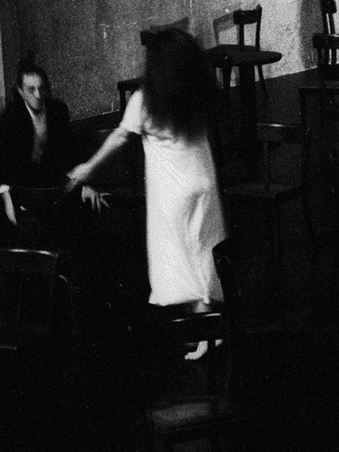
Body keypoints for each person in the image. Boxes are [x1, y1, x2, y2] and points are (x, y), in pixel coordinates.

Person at [67, 29, 226, 357]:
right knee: (205, 255)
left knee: (183, 262)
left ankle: (204, 333)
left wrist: (89, 166)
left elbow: (121, 137)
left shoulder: (146, 100)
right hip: (204, 183)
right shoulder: (197, 92)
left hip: (174, 193)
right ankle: (212, 329)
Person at [0, 55, 104, 241]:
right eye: (31, 89)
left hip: (51, 184)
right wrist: (8, 198)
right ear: (20, 91)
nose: (38, 94)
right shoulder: (10, 117)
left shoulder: (57, 110)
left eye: (41, 88)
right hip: (22, 187)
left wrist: (82, 185)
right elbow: (3, 164)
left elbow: (68, 153)